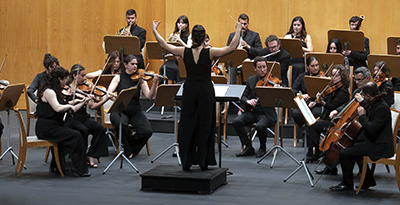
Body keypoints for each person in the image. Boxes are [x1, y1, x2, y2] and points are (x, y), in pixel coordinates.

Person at [153, 19, 243, 170]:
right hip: (205, 90)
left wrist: (155, 30)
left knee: (187, 124)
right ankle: (203, 161)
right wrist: (238, 29)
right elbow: (232, 47)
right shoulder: (210, 52)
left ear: (192, 38)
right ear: (204, 38)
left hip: (189, 89)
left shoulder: (183, 51)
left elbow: (164, 44)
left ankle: (187, 162)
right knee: (205, 124)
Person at [329, 82, 394, 192]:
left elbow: (371, 128)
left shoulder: (382, 108)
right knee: (354, 147)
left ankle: (347, 184)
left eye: (363, 95)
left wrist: (362, 116)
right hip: (374, 141)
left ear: (368, 96)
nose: (362, 97)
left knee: (344, 153)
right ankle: (368, 180)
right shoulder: (376, 103)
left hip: (379, 146)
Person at [35, 66, 89, 176]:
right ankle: (78, 169)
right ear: (59, 79)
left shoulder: (56, 91)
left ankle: (60, 166)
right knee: (75, 136)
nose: (66, 81)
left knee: (78, 132)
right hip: (46, 127)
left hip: (55, 125)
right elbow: (58, 108)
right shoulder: (49, 92)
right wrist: (68, 107)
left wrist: (84, 101)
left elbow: (70, 108)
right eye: (65, 79)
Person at [107, 54, 160, 158]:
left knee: (147, 131)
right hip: (120, 109)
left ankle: (130, 147)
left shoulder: (141, 79)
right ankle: (128, 150)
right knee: (120, 124)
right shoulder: (118, 77)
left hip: (135, 111)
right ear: (125, 65)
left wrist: (154, 83)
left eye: (136, 64)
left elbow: (149, 96)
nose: (135, 66)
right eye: (132, 64)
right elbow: (109, 92)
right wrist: (114, 96)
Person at [233, 56, 279, 158]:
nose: (262, 70)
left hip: (266, 113)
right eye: (259, 68)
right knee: (236, 122)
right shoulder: (251, 80)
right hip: (253, 111)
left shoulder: (273, 80)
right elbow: (243, 96)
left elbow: (280, 96)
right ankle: (248, 146)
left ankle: (262, 147)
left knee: (260, 126)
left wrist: (277, 90)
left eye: (264, 67)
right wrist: (248, 101)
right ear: (255, 68)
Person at [67, 64, 111, 168]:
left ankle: (90, 154)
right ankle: (80, 157)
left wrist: (105, 99)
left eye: (85, 75)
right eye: (82, 76)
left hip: (84, 117)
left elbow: (92, 106)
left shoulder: (86, 88)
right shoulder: (67, 88)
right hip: (72, 118)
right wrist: (79, 99)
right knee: (83, 130)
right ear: (74, 75)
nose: (85, 78)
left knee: (99, 128)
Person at [308, 64, 351, 170]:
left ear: (342, 77)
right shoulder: (333, 89)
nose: (333, 78)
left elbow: (332, 106)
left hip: (334, 120)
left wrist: (322, 102)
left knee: (312, 126)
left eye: (336, 75)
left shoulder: (343, 91)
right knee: (310, 125)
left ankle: (317, 151)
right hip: (326, 117)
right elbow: (326, 101)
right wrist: (317, 101)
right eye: (332, 75)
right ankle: (315, 152)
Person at [284, 16, 313, 85]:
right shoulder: (288, 36)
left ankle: (297, 88)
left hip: (301, 60)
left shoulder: (306, 37)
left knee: (299, 67)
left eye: (298, 25)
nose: (296, 27)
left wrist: (300, 48)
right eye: (294, 25)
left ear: (302, 26)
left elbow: (311, 50)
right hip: (290, 60)